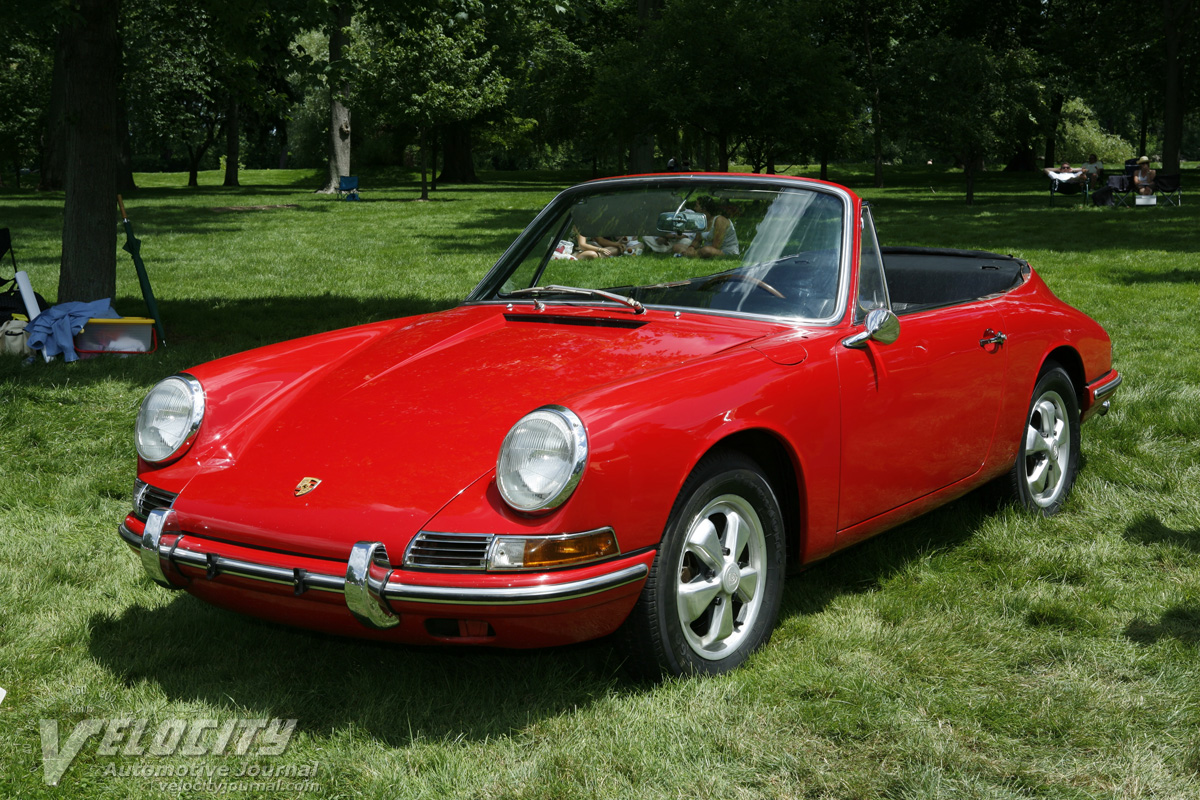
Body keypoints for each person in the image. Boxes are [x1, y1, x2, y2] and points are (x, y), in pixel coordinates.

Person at [673, 197, 739, 259]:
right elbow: (697, 240)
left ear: (703, 209)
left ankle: (689, 255)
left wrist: (695, 251)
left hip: (725, 251)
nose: (694, 208)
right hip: (705, 249)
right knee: (677, 246)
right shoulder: (701, 220)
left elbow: (716, 246)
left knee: (706, 250)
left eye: (696, 206)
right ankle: (692, 254)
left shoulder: (719, 220)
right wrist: (691, 247)